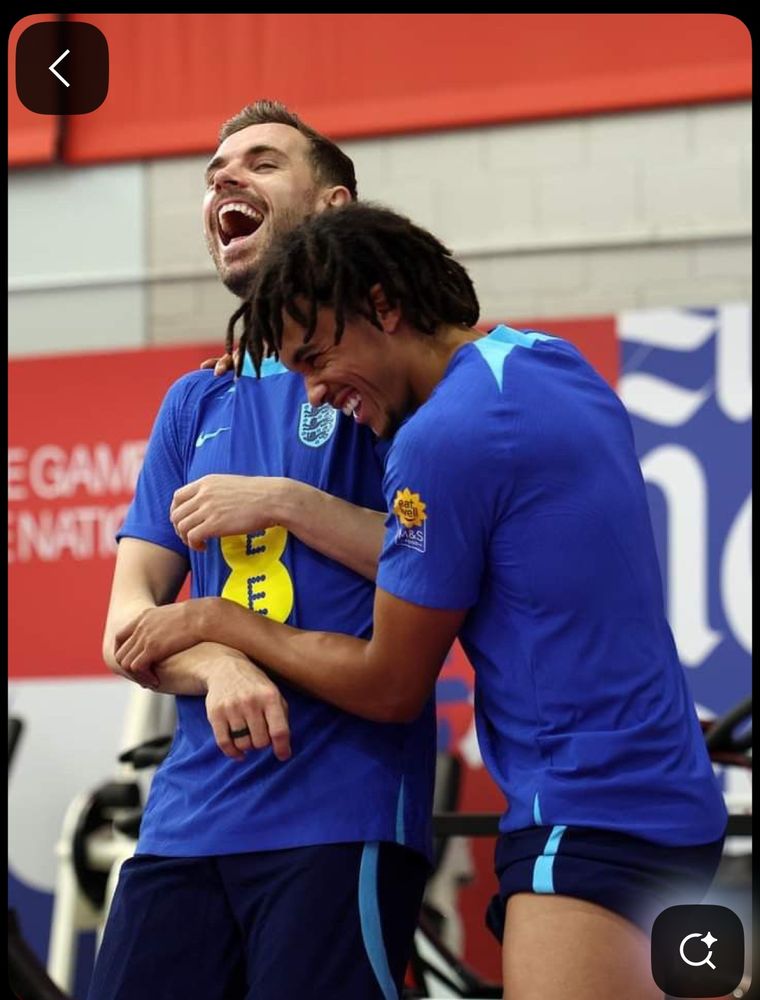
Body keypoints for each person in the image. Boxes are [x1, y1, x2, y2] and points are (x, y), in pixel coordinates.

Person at [116, 202, 729, 1000]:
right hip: (668, 799)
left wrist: (216, 619)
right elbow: (459, 553)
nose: (313, 392)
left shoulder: (439, 443)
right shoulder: (545, 360)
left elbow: (389, 683)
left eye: (316, 358)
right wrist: (292, 501)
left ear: (383, 307)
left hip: (584, 813)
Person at [90, 107, 435, 1000]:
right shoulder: (193, 401)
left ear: (332, 206)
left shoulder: (388, 374)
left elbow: (434, 557)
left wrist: (287, 502)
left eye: (260, 161)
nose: (223, 181)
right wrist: (214, 663)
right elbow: (128, 621)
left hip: (338, 814)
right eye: (213, 171)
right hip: (186, 819)